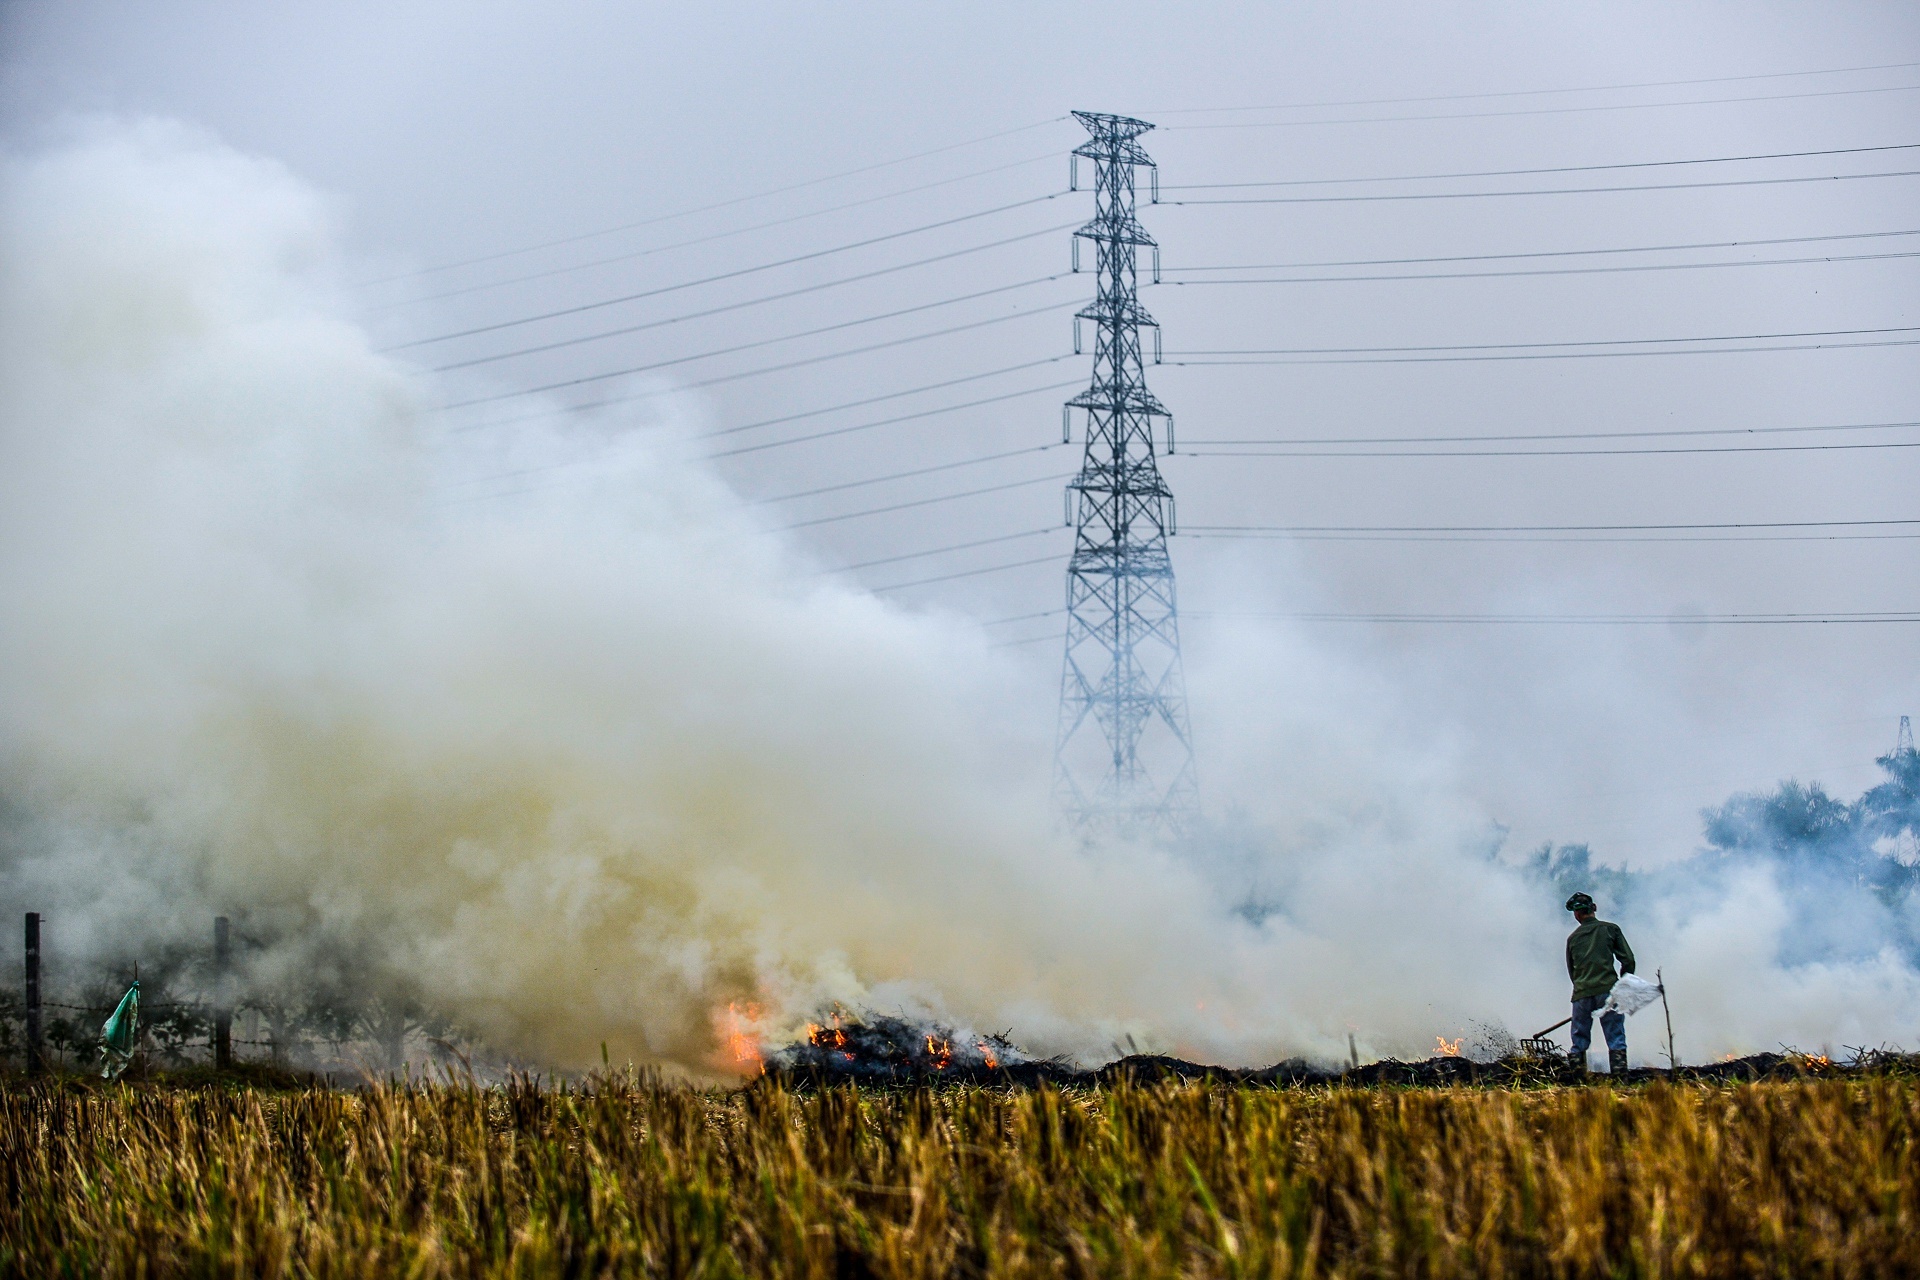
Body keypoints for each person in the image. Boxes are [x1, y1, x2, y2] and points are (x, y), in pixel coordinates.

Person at [1564, 892, 1635, 1076]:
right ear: (1593, 909)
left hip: (1581, 995)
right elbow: (1628, 960)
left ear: (1577, 914)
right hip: (1608, 992)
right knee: (1615, 1036)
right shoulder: (1610, 929)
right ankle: (1620, 1079)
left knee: (1579, 1039)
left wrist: (1583, 987)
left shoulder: (1573, 938)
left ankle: (1577, 1079)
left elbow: (1572, 972)